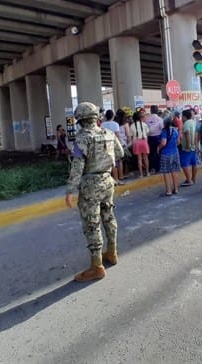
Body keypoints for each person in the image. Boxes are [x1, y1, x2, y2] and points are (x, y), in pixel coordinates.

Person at [65, 102, 124, 282]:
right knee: (109, 216)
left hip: (90, 184)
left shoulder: (82, 138)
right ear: (96, 117)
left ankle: (96, 266)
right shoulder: (108, 133)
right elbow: (120, 153)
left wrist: (70, 190)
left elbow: (77, 166)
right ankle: (112, 253)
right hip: (107, 181)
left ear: (81, 120)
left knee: (92, 224)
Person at [158, 117, 180, 196]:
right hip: (175, 152)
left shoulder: (164, 131)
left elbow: (163, 143)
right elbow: (178, 142)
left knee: (166, 172)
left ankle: (169, 191)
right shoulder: (175, 130)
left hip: (166, 154)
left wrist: (158, 148)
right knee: (174, 171)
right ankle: (176, 189)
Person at [101, 109, 123, 185]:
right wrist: (121, 144)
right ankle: (118, 179)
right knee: (116, 162)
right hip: (114, 144)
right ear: (113, 116)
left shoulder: (102, 125)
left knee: (110, 163)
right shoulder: (115, 124)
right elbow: (117, 135)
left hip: (106, 145)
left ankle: (113, 179)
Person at [179, 109, 198, 186]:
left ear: (184, 116)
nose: (181, 118)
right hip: (194, 146)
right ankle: (193, 179)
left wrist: (188, 145)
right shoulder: (194, 122)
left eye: (182, 116)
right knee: (194, 163)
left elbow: (187, 134)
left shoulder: (186, 123)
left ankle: (188, 180)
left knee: (184, 164)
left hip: (188, 147)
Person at [130, 110, 150, 177]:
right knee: (145, 158)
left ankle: (141, 174)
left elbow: (131, 135)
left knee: (139, 159)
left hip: (136, 142)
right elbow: (147, 133)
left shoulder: (132, 126)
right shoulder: (144, 124)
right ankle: (147, 172)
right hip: (144, 141)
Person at [146, 105, 164, 174]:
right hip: (158, 137)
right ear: (157, 111)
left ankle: (152, 168)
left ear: (150, 111)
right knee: (158, 152)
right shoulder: (160, 119)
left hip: (150, 138)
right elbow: (162, 129)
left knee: (151, 153)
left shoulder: (147, 119)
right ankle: (158, 167)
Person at [114, 109, 131, 180]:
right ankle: (126, 173)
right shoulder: (125, 124)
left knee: (118, 160)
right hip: (124, 143)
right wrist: (129, 143)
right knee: (125, 159)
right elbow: (128, 135)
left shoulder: (115, 123)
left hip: (116, 143)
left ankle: (120, 174)